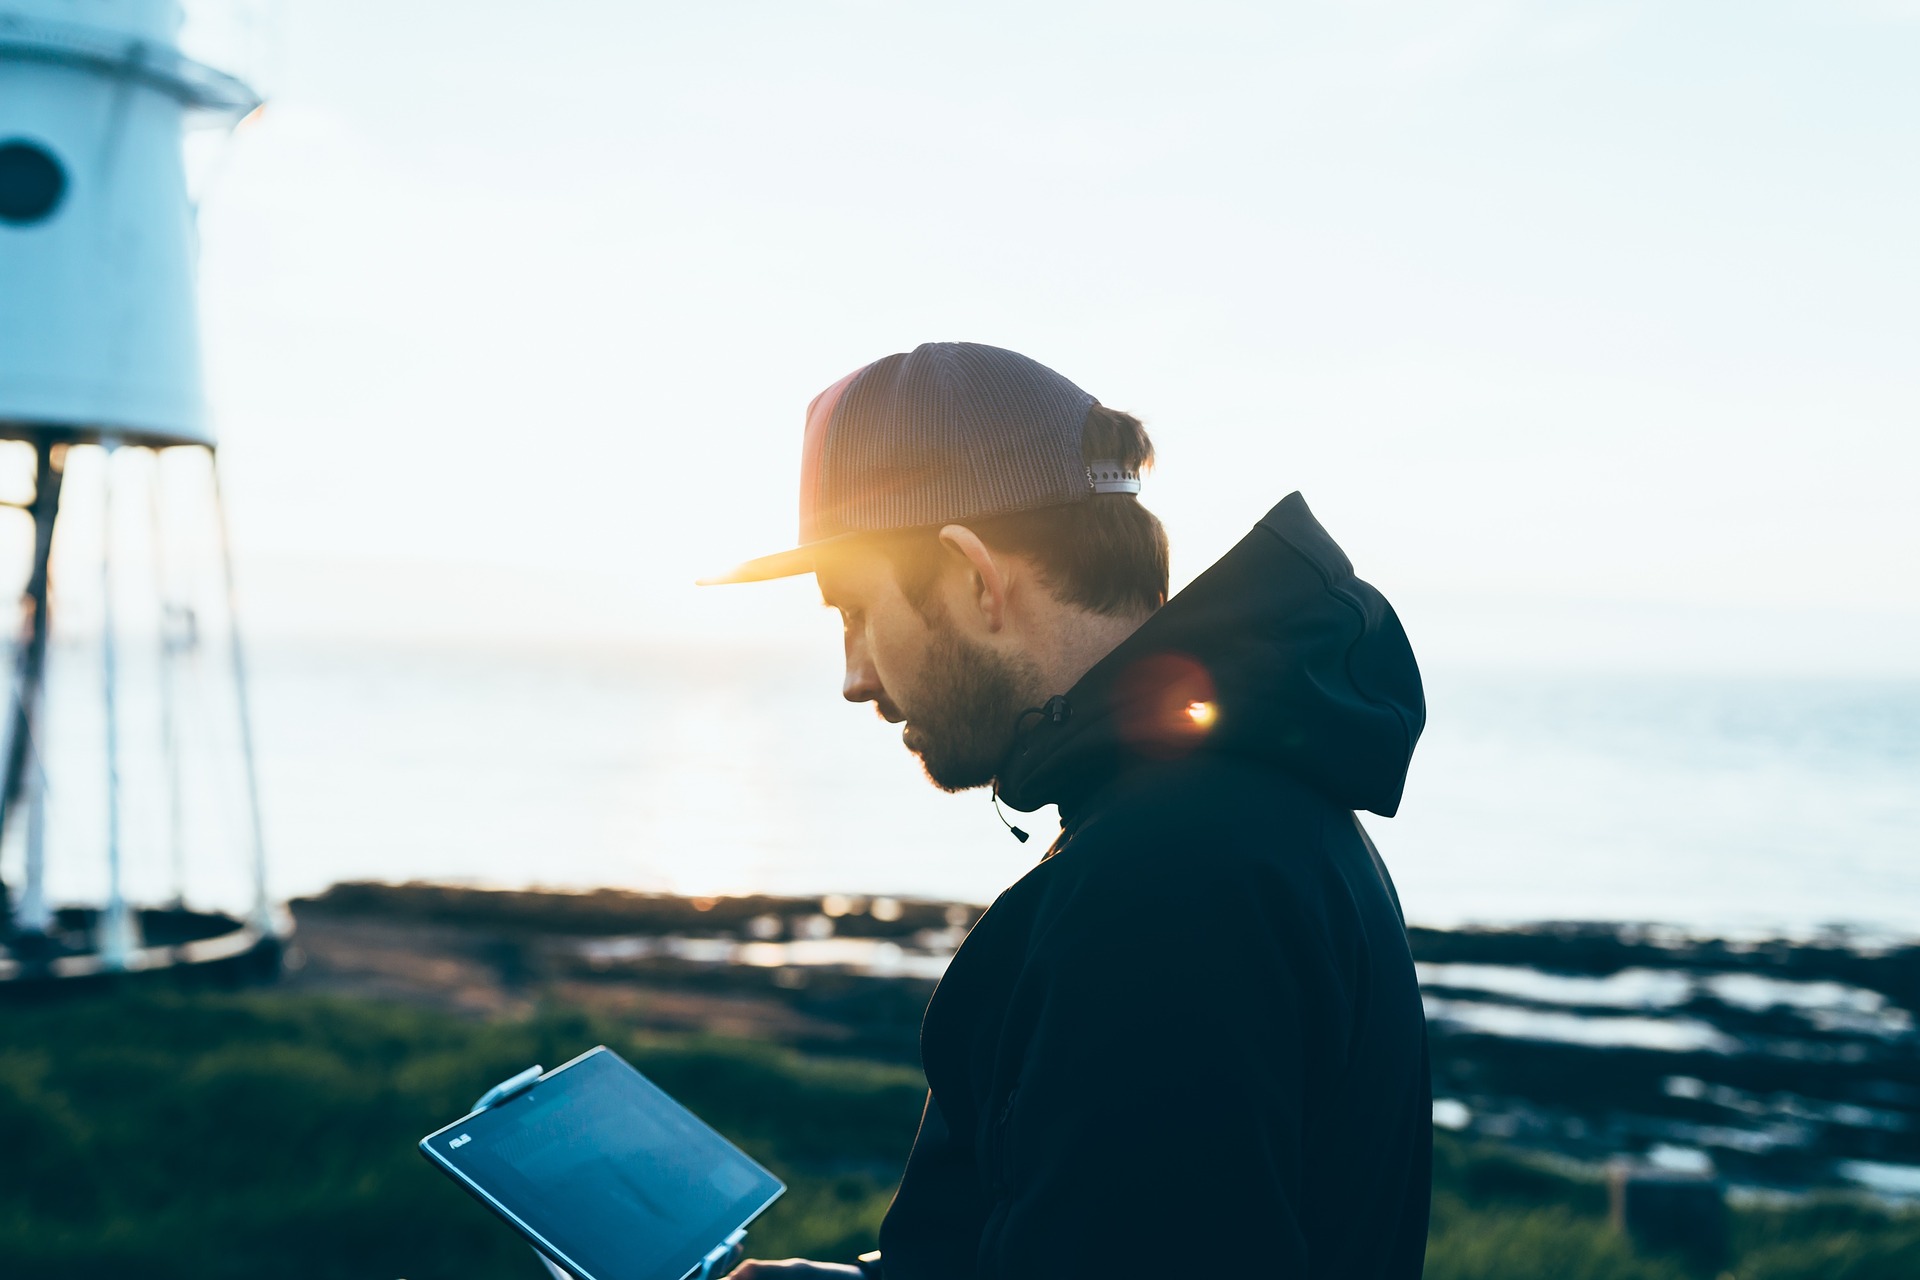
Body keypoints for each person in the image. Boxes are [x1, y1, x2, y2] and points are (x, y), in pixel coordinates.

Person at [702, 342, 1430, 1279]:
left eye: (854, 612)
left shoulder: (1159, 894)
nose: (855, 678)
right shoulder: (1235, 813)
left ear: (972, 575)